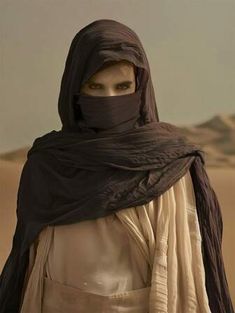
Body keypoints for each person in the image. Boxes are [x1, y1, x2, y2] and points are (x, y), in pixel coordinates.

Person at [0, 19, 234, 313]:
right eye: (95, 87)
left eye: (122, 86)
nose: (109, 99)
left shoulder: (170, 167)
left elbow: (184, 281)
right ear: (75, 91)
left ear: (141, 87)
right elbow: (28, 266)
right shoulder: (49, 165)